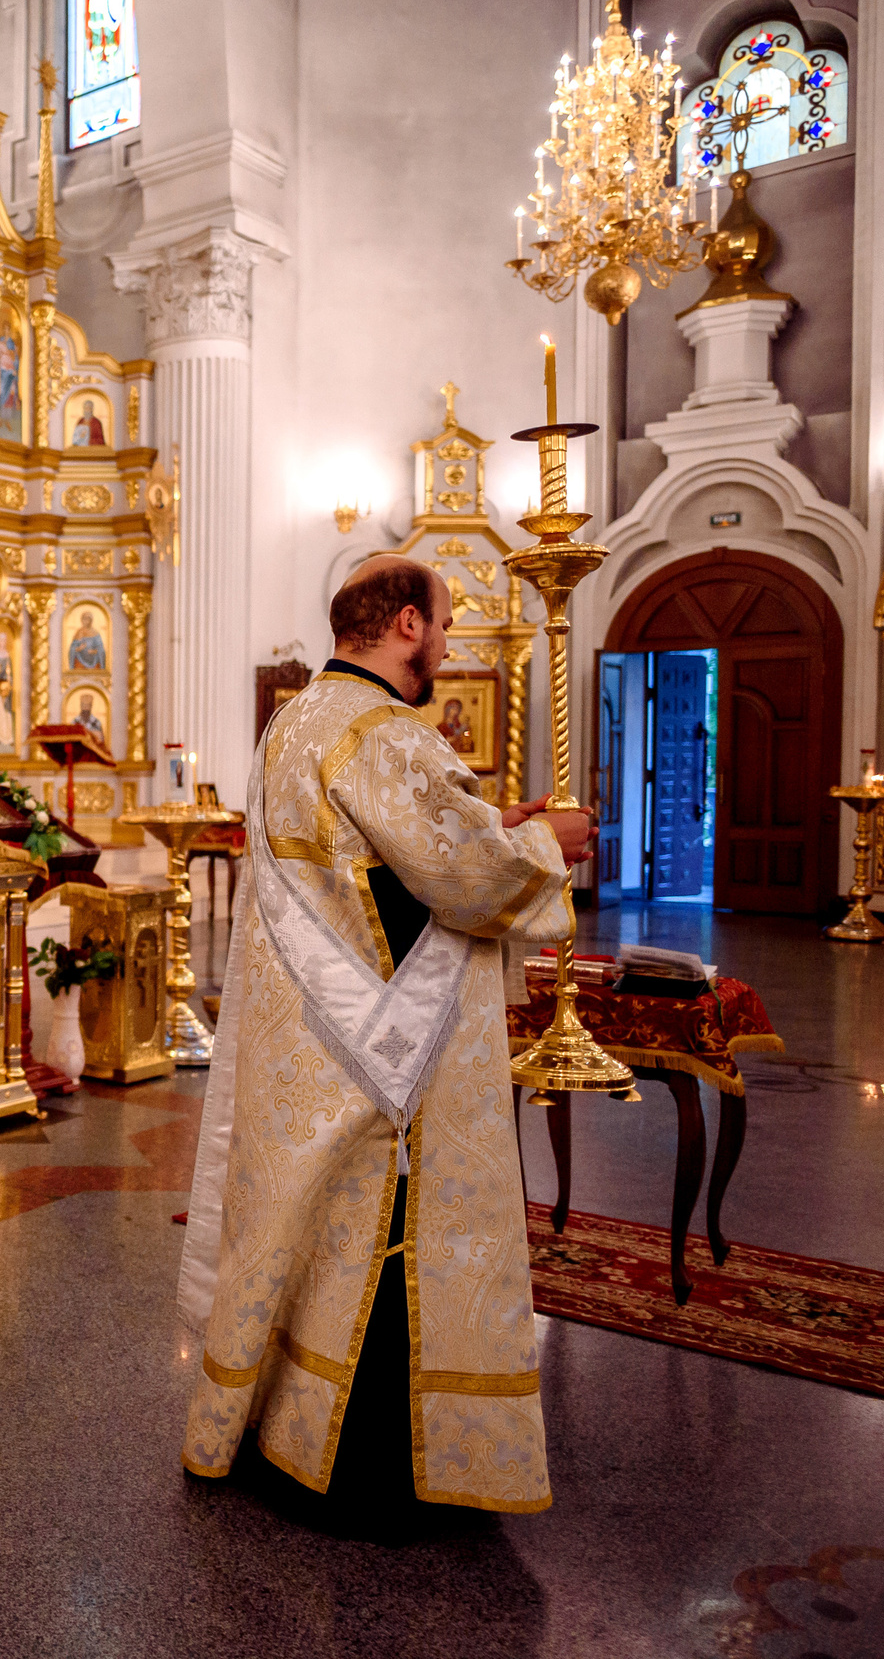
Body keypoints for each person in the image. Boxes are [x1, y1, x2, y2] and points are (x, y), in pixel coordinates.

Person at [177, 554, 594, 1517]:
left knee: (309, 1238)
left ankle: (279, 1434)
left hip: (312, 1042)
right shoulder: (387, 732)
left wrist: (488, 821)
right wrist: (545, 842)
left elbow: (377, 866)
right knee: (385, 1234)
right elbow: (462, 879)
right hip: (386, 1053)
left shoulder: (297, 720)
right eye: (443, 623)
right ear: (407, 623)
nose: (445, 643)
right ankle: (376, 1478)